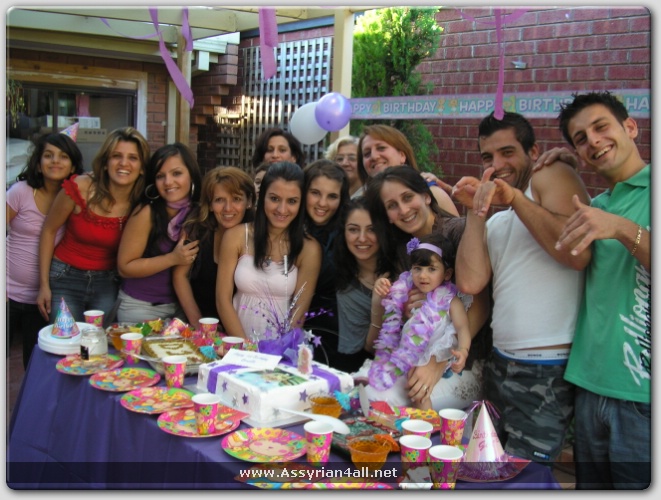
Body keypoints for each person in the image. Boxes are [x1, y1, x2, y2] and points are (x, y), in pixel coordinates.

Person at [453, 111, 591, 466]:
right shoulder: (500, 221)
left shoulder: (550, 175)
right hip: (500, 363)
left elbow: (577, 252)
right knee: (486, 467)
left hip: (546, 368)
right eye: (487, 156)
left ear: (534, 151)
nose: (497, 165)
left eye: (507, 152)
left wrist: (514, 197)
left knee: (524, 476)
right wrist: (475, 211)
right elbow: (470, 282)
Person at [555, 92, 650, 489]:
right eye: (580, 138)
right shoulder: (596, 206)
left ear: (631, 127)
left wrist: (623, 229)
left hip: (644, 397)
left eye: (600, 127)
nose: (592, 141)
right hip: (589, 388)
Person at [364, 166, 489, 410]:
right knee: (367, 389)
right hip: (416, 355)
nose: (403, 210)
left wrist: (437, 363)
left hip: (463, 361)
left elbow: (482, 306)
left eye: (407, 197)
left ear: (426, 196)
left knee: (390, 402)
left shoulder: (458, 231)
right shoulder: (402, 248)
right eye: (392, 205)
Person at [37, 127, 150, 325]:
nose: (124, 163)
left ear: (141, 167)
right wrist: (43, 285)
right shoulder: (80, 187)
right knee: (66, 339)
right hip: (65, 277)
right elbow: (48, 231)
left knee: (98, 340)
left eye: (133, 158)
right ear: (105, 162)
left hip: (107, 283)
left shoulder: (142, 202)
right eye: (116, 156)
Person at [216, 161, 321, 341]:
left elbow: (299, 313)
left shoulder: (309, 249)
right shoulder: (236, 236)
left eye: (292, 201)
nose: (282, 209)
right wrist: (245, 348)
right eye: (274, 198)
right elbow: (222, 299)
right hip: (237, 344)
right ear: (262, 196)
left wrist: (278, 349)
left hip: (281, 348)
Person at [366, 233, 472, 410]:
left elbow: (463, 328)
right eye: (417, 268)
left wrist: (463, 350)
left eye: (431, 269)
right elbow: (391, 302)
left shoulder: (451, 301)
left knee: (419, 394)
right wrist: (382, 286)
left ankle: (428, 424)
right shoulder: (408, 293)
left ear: (447, 274)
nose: (423, 275)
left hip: (435, 354)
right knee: (386, 378)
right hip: (410, 352)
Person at [7, 133, 84, 367]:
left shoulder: (75, 199)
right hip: (8, 292)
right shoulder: (20, 192)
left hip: (44, 298)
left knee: (35, 364)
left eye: (63, 156)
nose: (55, 161)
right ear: (39, 164)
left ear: (73, 165)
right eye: (48, 155)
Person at [116, 143, 202, 323]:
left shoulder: (194, 212)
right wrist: (172, 258)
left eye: (176, 173)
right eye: (160, 176)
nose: (168, 182)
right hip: (140, 307)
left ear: (191, 174)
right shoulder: (147, 212)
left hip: (177, 308)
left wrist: (199, 324)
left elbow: (181, 275)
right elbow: (125, 267)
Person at [173, 167, 255, 330]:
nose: (228, 208)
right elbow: (180, 276)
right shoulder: (197, 230)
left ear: (249, 202)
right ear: (209, 204)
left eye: (236, 199)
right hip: (202, 324)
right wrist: (198, 324)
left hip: (244, 329)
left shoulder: (257, 233)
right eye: (219, 200)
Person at [302, 159, 349, 366]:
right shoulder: (286, 226)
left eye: (332, 196)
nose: (322, 203)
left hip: (331, 337)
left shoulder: (349, 237)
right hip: (279, 328)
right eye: (315, 193)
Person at [357, 124, 459, 216]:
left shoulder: (432, 192)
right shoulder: (363, 204)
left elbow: (457, 230)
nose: (373, 156)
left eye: (381, 148)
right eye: (367, 153)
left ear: (402, 155)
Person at [333, 197, 381, 373]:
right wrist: (378, 307)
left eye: (371, 229)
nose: (362, 238)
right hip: (370, 370)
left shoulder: (405, 269)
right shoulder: (346, 288)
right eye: (353, 229)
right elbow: (368, 350)